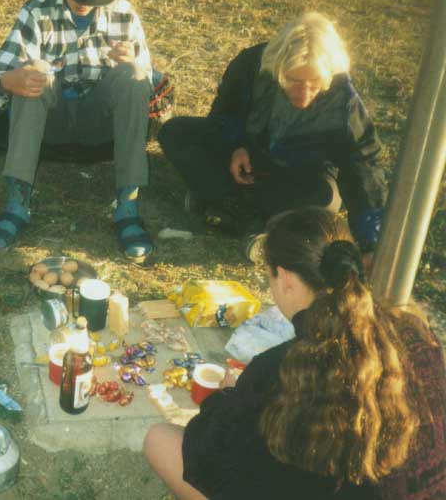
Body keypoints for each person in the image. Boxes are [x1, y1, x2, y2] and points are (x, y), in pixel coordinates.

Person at [143, 207, 446, 500]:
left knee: (160, 440)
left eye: (269, 278)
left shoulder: (280, 368)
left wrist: (228, 398)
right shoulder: (414, 330)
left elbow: (209, 457)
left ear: (285, 278)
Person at [158, 13, 386, 264]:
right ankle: (252, 218)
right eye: (293, 80)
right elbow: (223, 113)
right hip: (249, 160)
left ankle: (223, 206)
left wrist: (369, 243)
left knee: (325, 200)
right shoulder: (251, 63)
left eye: (314, 84)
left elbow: (363, 163)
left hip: (300, 174)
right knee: (174, 132)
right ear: (277, 67)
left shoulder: (343, 97)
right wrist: (236, 146)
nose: (303, 94)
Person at [0, 0, 156, 263]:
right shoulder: (37, 10)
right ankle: (17, 203)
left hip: (100, 123)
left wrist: (132, 62)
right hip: (51, 123)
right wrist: (13, 80)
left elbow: (146, 81)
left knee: (134, 76)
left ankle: (128, 205)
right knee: (34, 71)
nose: (86, 2)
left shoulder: (124, 12)